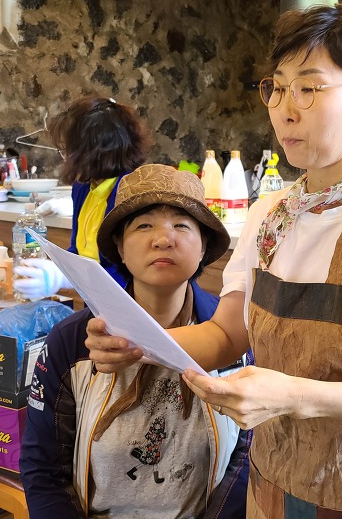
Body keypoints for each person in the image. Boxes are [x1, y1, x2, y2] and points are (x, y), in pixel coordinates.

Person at [85, 1, 342, 518]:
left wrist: (293, 395)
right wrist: (139, 343)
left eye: (309, 88)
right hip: (274, 479)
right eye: (278, 88)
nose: (285, 109)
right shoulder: (271, 214)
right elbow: (226, 335)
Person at [20, 164, 249, 519]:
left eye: (181, 225)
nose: (163, 239)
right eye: (144, 226)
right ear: (120, 247)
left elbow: (248, 458)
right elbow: (43, 468)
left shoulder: (235, 338)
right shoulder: (74, 341)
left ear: (204, 247)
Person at [14, 95, 151, 299]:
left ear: (94, 151)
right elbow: (78, 251)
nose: (65, 158)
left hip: (131, 305)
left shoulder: (133, 194)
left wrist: (65, 278)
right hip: (96, 303)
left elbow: (130, 275)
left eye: (67, 150)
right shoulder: (83, 188)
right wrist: (57, 269)